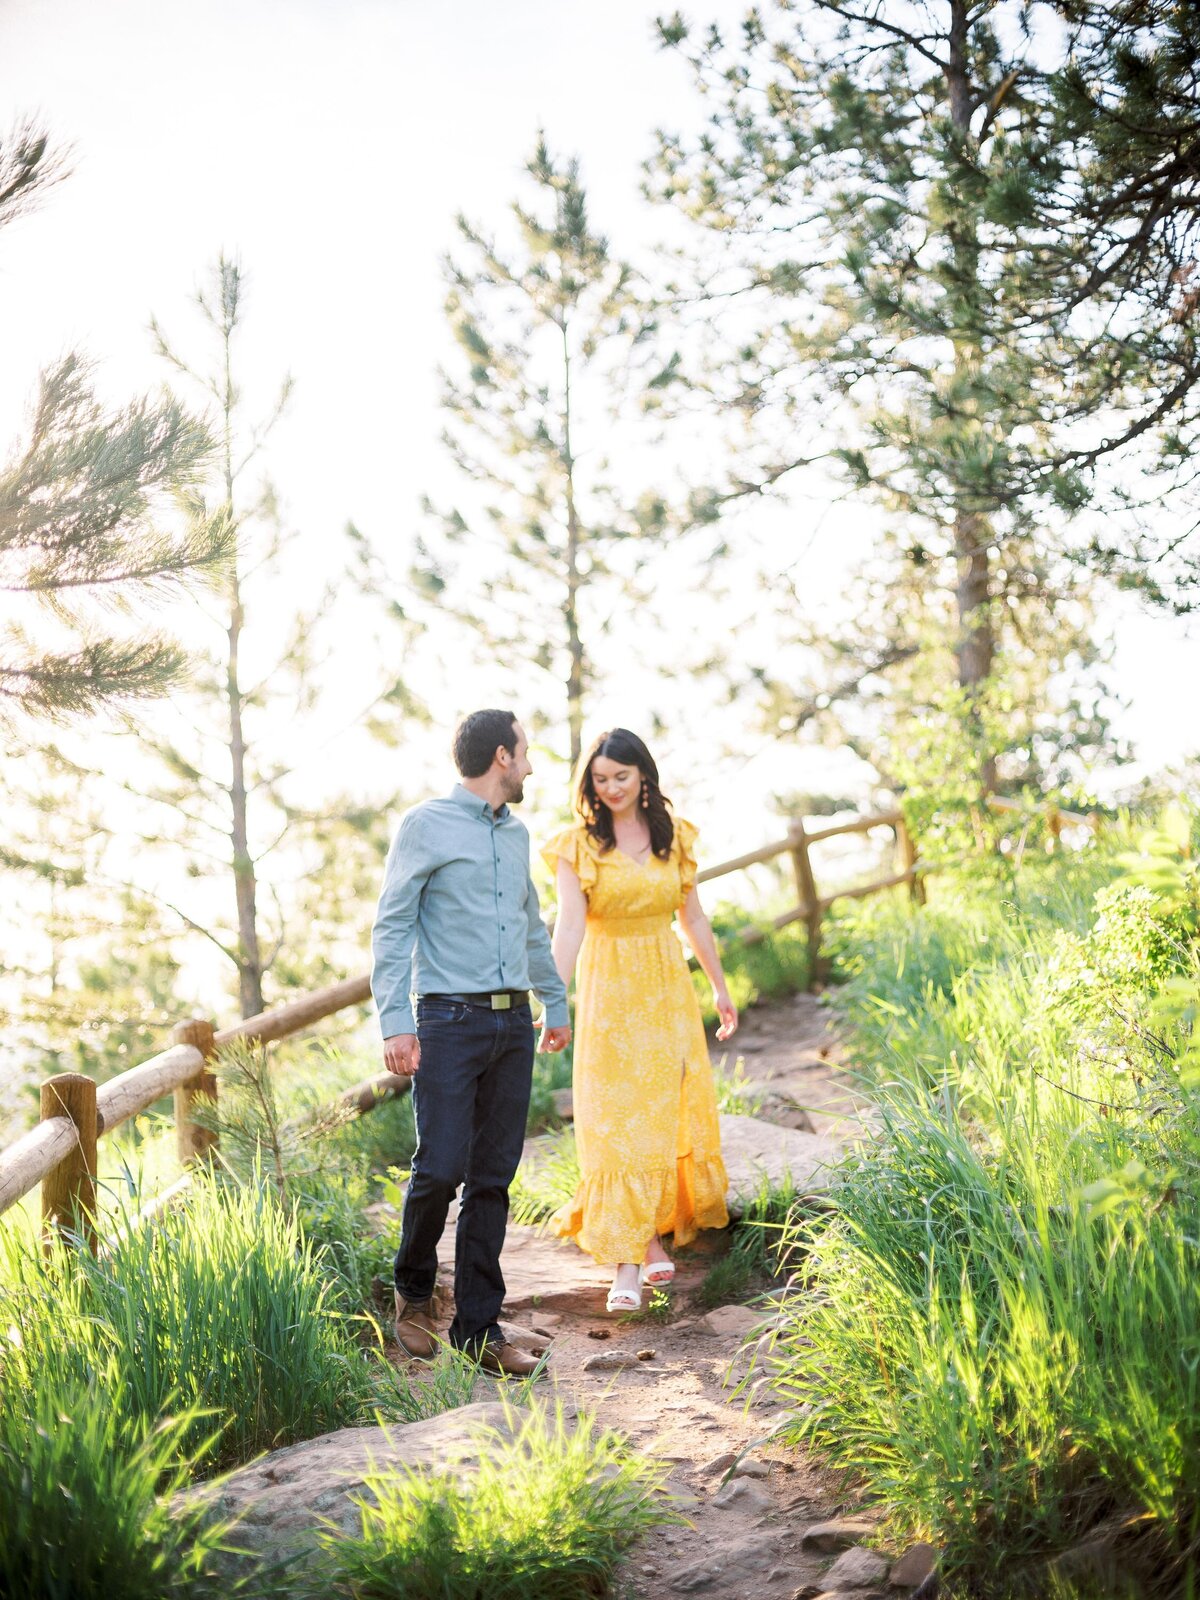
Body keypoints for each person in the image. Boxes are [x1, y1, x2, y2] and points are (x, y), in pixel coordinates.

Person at [371, 709, 572, 1372]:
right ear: (501, 758)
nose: (532, 764)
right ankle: (414, 1290)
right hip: (448, 1022)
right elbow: (394, 927)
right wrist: (395, 1021)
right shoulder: (425, 825)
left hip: (513, 1024)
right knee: (441, 1167)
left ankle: (480, 1331)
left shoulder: (517, 838)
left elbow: (533, 927)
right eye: (525, 751)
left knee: (493, 1177)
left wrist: (554, 1000)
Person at [542, 728, 737, 1312]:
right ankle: (627, 1263)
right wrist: (554, 1000)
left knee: (658, 1114)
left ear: (644, 775)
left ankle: (646, 1243)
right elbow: (569, 927)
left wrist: (721, 989)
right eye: (600, 780)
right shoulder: (576, 845)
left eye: (620, 777)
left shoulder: (672, 838)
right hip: (608, 996)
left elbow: (694, 919)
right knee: (610, 1119)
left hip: (665, 993)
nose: (611, 789)